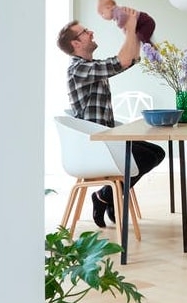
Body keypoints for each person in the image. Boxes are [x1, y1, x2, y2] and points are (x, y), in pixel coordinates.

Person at [56, 13, 165, 229]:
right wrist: (132, 25)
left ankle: (107, 196)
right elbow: (120, 62)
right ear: (75, 43)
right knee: (142, 157)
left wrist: (134, 34)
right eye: (85, 32)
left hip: (108, 141)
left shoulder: (90, 66)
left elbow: (128, 60)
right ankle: (108, 197)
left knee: (156, 153)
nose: (91, 32)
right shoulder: (78, 69)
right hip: (95, 147)